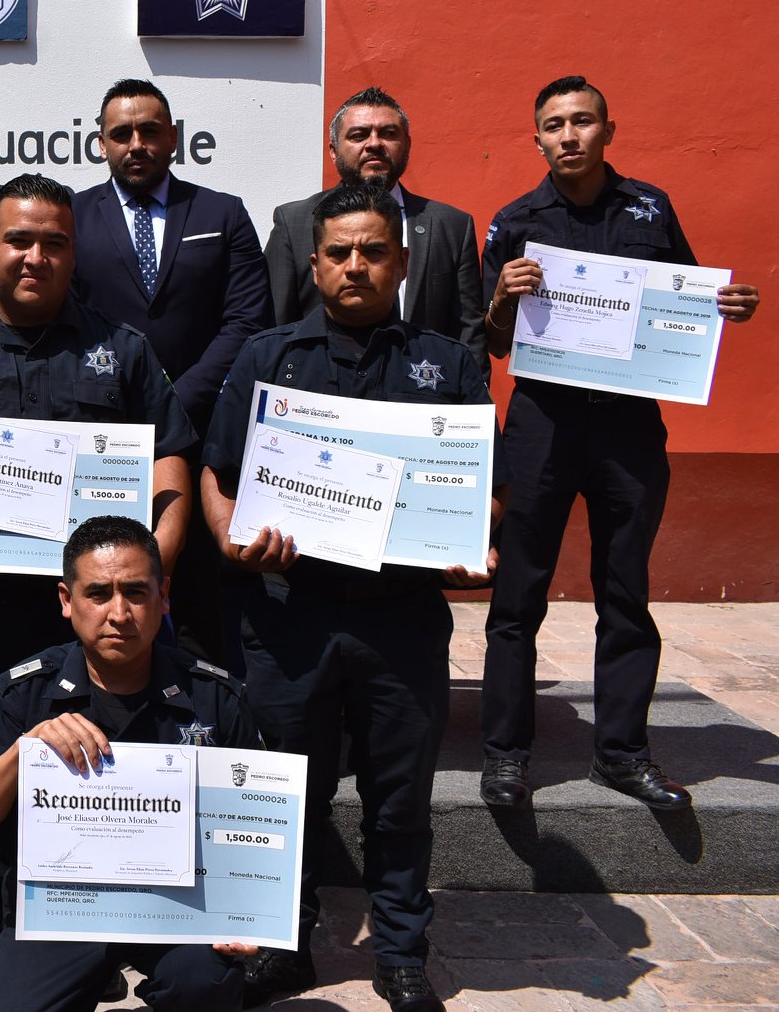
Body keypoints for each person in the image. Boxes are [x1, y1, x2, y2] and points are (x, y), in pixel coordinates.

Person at [0, 173, 195, 989]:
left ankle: (91, 913)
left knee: (102, 753)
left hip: (92, 612)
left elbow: (169, 460)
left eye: (54, 242)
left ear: (73, 253)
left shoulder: (122, 349)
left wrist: (155, 568)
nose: (35, 256)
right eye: (18, 239)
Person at [199, 184, 502, 1012]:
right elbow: (218, 471)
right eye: (339, 253)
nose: (356, 266)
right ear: (315, 263)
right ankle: (281, 945)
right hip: (286, 616)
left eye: (373, 252)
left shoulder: (448, 364)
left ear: (401, 263)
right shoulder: (267, 358)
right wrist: (228, 537)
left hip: (400, 618)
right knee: (281, 794)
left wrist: (474, 538)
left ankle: (401, 957)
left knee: (398, 801)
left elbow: (488, 488)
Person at [477, 76, 761, 812]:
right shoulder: (514, 222)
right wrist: (502, 297)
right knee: (518, 595)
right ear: (536, 139)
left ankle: (623, 753)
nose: (568, 135)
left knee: (626, 593)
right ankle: (506, 755)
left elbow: (687, 300)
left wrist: (725, 305)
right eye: (554, 125)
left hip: (629, 429)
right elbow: (494, 342)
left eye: (582, 121)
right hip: (542, 427)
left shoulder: (650, 208)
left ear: (608, 130)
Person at [0, 516, 257, 1012]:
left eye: (136, 592)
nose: (119, 613)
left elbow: (256, 824)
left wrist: (250, 917)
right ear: (66, 600)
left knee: (204, 985)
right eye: (97, 593)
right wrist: (26, 751)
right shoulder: (23, 691)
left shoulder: (214, 696)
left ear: (164, 596)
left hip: (178, 908)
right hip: (62, 908)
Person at [70, 78, 270, 667]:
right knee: (107, 585)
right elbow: (62, 319)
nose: (136, 144)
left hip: (203, 430)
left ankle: (207, 704)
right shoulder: (72, 216)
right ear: (100, 143)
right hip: (103, 432)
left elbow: (247, 322)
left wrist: (174, 400)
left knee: (205, 596)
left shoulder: (221, 213)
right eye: (121, 134)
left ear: (174, 137)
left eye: (149, 131)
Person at [264, 86, 487, 378]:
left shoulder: (451, 225)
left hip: (420, 393)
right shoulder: (295, 222)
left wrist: (472, 399)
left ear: (407, 145)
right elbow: (274, 323)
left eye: (388, 134)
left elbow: (469, 333)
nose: (374, 144)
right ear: (333, 151)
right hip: (319, 391)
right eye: (359, 135)